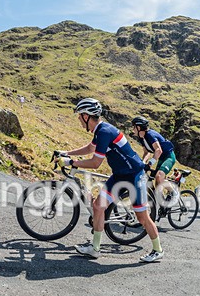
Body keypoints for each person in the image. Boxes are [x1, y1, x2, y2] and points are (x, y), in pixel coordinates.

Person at [59, 98, 163, 263]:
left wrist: (71, 162)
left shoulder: (105, 131)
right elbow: (90, 148)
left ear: (86, 116)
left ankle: (158, 250)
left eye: (80, 116)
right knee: (98, 206)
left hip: (134, 175)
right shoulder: (100, 130)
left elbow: (95, 163)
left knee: (142, 217)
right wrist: (67, 153)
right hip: (119, 175)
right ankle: (95, 248)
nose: (78, 119)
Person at [130, 116, 176, 188]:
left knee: (159, 176)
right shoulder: (142, 138)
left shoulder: (150, 135)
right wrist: (143, 163)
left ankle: (174, 192)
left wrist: (150, 163)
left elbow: (158, 150)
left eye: (134, 127)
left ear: (138, 128)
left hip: (169, 156)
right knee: (157, 183)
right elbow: (146, 152)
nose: (133, 129)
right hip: (161, 158)